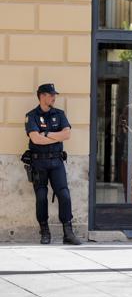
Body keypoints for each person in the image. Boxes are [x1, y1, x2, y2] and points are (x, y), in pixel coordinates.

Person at [24, 83, 81, 245]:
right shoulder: (32, 116)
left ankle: (68, 232)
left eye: (54, 94)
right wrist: (57, 136)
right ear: (42, 96)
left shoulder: (60, 114)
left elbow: (67, 134)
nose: (54, 97)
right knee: (41, 197)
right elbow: (35, 138)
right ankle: (45, 231)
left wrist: (47, 134)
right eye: (51, 94)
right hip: (39, 162)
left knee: (64, 194)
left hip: (57, 161)